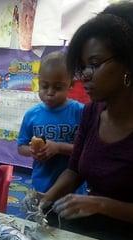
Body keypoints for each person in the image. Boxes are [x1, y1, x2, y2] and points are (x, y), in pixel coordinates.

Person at [40, 1, 133, 240]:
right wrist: (46, 198)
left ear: (128, 64)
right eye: (82, 66)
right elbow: (74, 171)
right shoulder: (91, 113)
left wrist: (101, 204)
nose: (84, 76)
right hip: (91, 229)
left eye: (94, 64)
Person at [17, 51, 84, 193]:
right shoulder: (31, 115)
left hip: (73, 188)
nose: (50, 92)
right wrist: (32, 151)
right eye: (44, 86)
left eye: (58, 87)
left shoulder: (80, 112)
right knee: (40, 214)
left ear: (71, 84)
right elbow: (21, 147)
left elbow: (87, 149)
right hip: (41, 184)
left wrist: (59, 148)